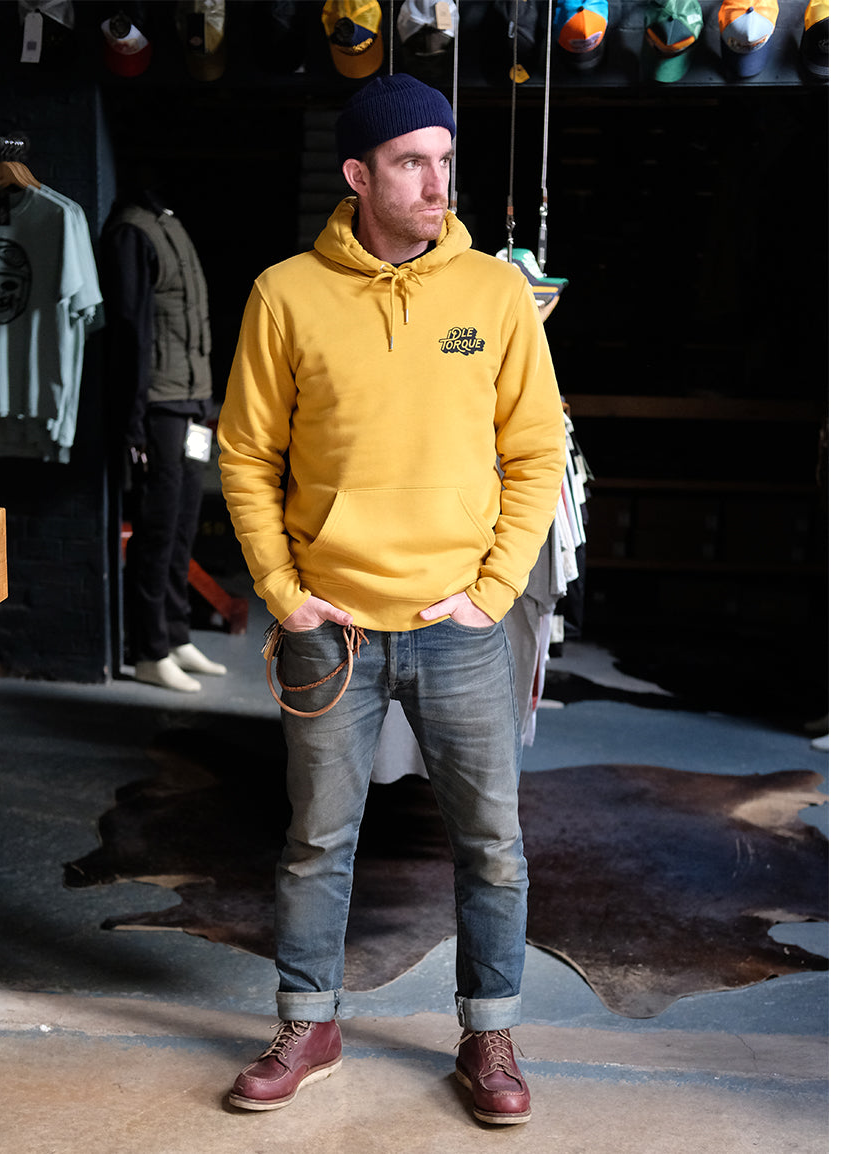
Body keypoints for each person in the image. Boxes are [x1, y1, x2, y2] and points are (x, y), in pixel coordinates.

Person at [216, 73, 566, 1125]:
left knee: (491, 843)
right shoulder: (285, 294)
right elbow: (246, 454)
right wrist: (283, 591)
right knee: (317, 840)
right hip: (332, 628)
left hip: (458, 625)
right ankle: (309, 1022)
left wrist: (494, 591)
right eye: (411, 162)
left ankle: (488, 1031)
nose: (435, 183)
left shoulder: (494, 296)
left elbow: (534, 451)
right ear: (358, 175)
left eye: (444, 161)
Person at [101, 183, 228, 692]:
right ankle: (149, 650)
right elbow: (129, 330)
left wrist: (207, 402)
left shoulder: (168, 221)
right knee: (156, 530)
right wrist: (133, 421)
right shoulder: (132, 232)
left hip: (193, 405)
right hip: (159, 407)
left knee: (182, 525)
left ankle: (176, 635)